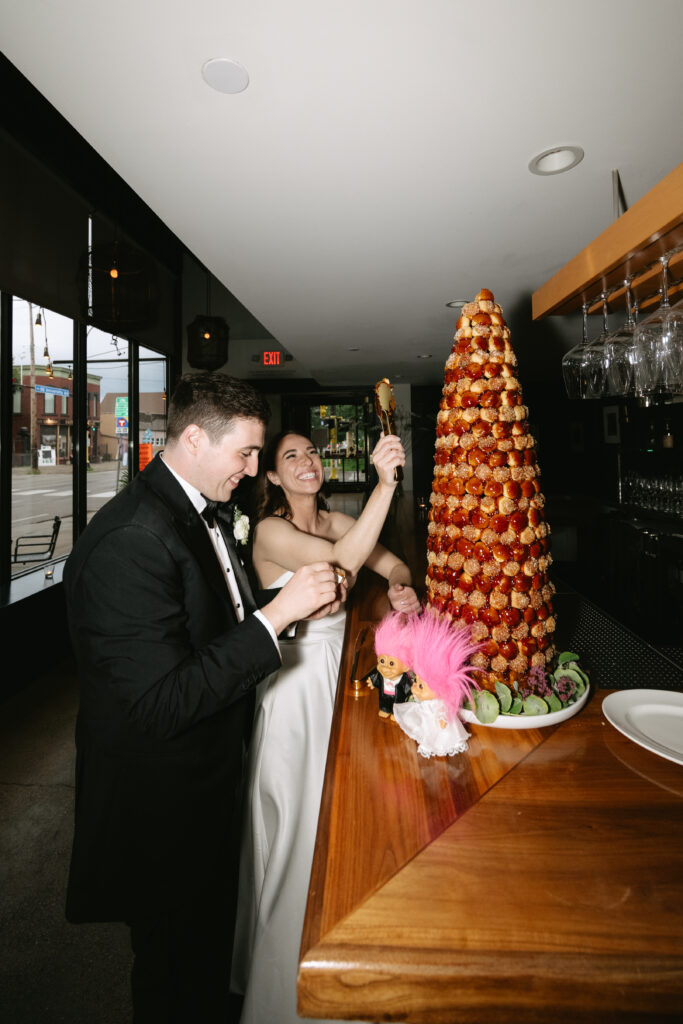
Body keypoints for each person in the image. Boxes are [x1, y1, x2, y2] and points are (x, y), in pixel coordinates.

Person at [63, 374, 343, 1024]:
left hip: (211, 787)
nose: (253, 471)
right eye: (245, 454)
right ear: (193, 437)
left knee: (211, 964)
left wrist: (284, 602)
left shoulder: (200, 510)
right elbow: (161, 703)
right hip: (163, 813)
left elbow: (218, 623)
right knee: (174, 981)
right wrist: (275, 621)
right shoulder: (131, 541)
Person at [232, 430, 420, 1024]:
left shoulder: (338, 520)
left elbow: (389, 560)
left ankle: (341, 960)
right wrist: (386, 486)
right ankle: (283, 994)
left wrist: (401, 587)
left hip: (343, 683)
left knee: (340, 829)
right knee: (300, 830)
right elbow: (337, 567)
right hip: (293, 691)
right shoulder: (270, 533)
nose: (307, 462)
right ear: (273, 478)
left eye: (312, 452)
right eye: (291, 457)